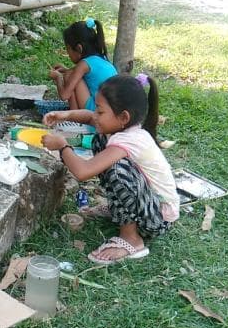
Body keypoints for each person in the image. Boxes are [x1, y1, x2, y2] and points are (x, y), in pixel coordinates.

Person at [41, 74, 178, 265]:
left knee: (118, 170)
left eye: (100, 111)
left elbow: (83, 171)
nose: (95, 115)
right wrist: (65, 115)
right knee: (100, 139)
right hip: (148, 206)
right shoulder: (124, 128)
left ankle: (132, 240)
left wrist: (63, 146)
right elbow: (91, 118)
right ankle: (119, 211)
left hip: (156, 219)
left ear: (123, 117)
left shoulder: (127, 140)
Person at [49, 18, 118, 111]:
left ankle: (75, 117)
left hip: (96, 110)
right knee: (70, 73)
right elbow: (88, 75)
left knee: (69, 76)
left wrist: (58, 78)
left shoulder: (84, 64)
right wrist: (66, 70)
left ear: (79, 48)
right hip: (109, 112)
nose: (68, 53)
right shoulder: (102, 59)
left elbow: (64, 95)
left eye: (68, 49)